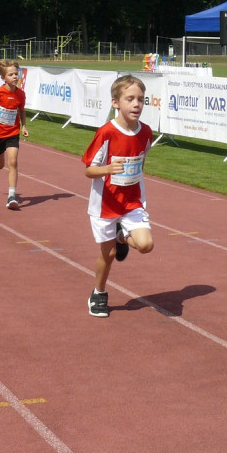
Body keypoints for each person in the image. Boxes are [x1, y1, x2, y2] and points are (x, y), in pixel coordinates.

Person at [82, 74, 154, 318]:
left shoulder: (146, 133)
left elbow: (141, 162)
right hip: (105, 204)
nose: (136, 104)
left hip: (132, 201)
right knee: (109, 255)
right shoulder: (106, 133)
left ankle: (123, 236)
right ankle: (99, 293)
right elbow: (89, 170)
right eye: (130, 99)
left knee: (146, 245)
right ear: (116, 103)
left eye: (141, 100)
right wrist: (107, 169)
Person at [0, 60, 29, 210]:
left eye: (16, 73)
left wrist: (24, 126)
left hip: (12, 133)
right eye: (11, 74)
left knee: (13, 162)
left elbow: (21, 111)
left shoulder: (21, 94)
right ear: (3, 78)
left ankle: (11, 196)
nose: (15, 76)